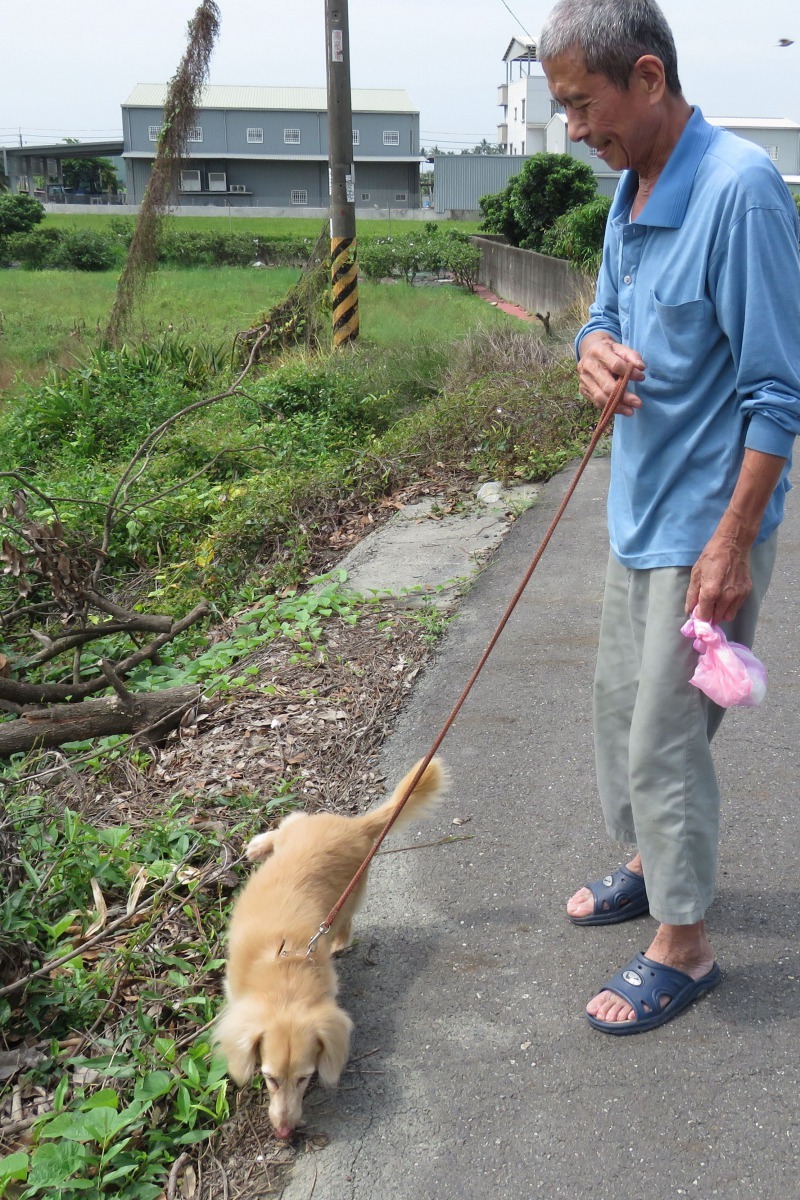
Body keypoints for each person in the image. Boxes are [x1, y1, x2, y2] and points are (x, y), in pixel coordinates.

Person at [538, 0, 800, 1033]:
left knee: (661, 740)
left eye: (577, 103)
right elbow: (604, 313)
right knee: (616, 715)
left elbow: (778, 391)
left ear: (644, 78)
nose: (569, 128)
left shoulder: (738, 193)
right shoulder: (630, 185)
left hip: (705, 530)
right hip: (634, 512)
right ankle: (649, 863)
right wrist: (587, 354)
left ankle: (683, 945)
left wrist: (731, 541)